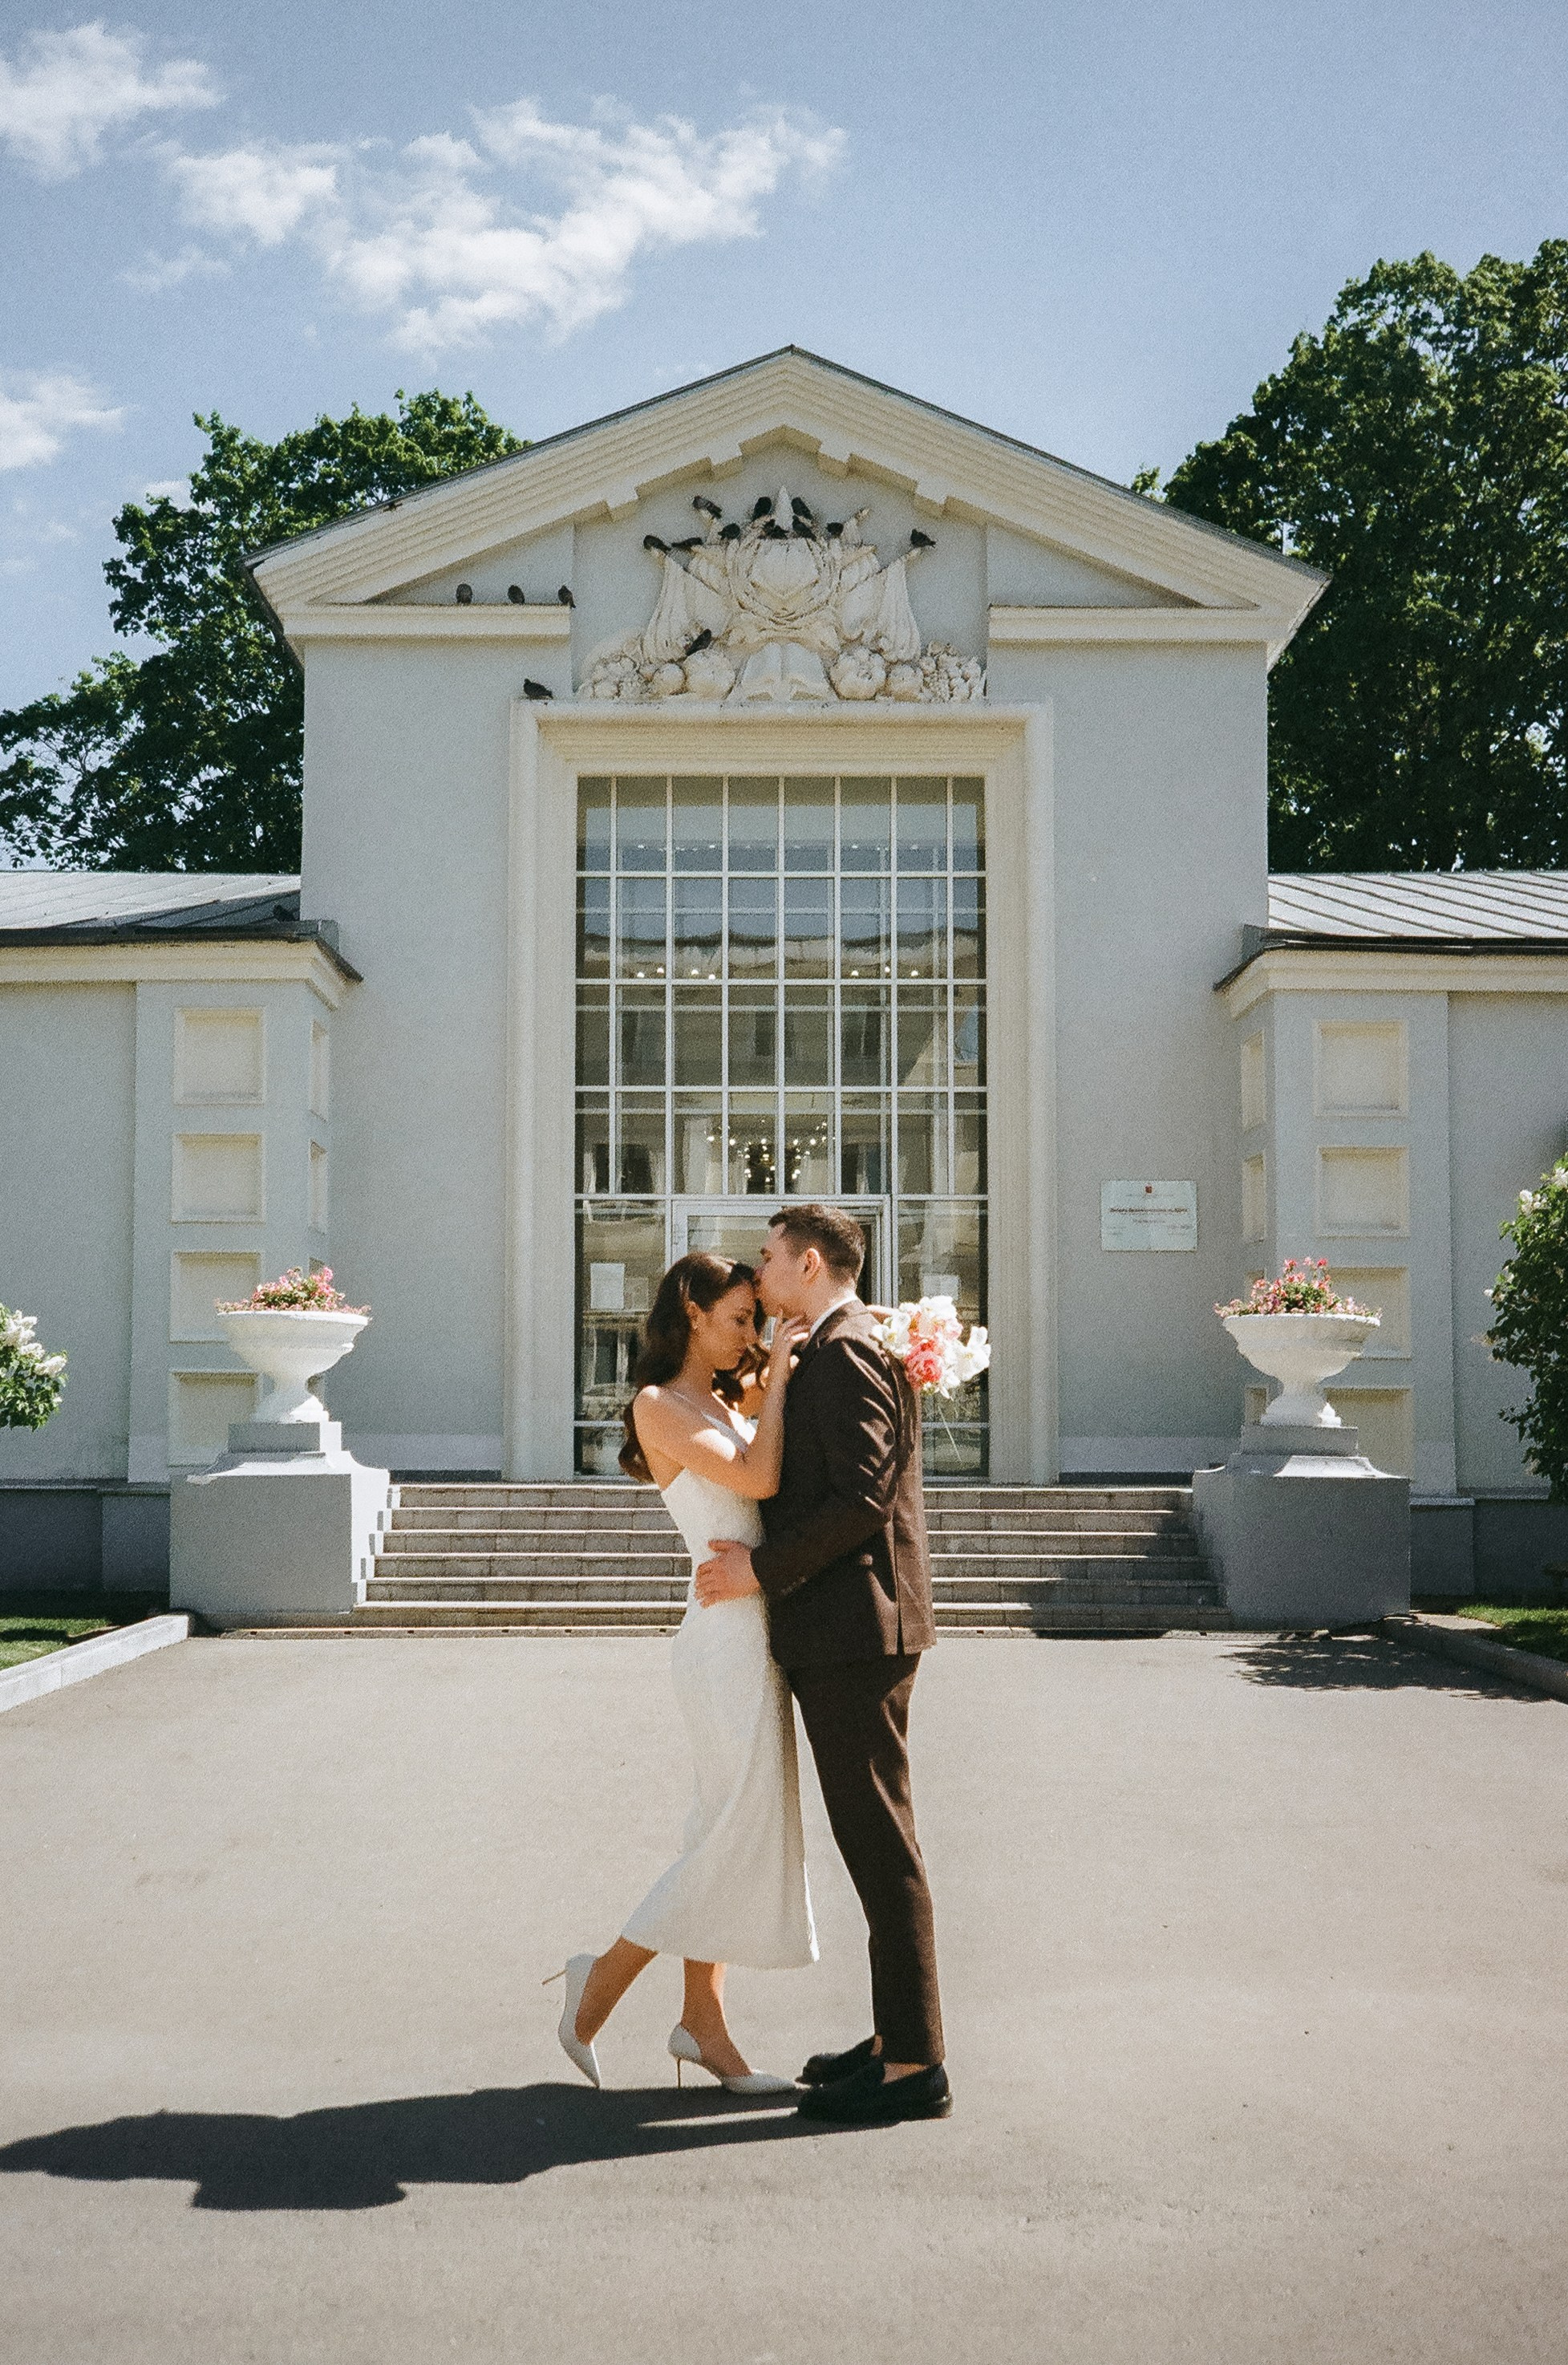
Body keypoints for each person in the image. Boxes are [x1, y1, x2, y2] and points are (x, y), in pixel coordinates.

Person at [696, 1203, 950, 2124]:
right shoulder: (832, 1341)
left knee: (881, 1847)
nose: (758, 1276)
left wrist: (756, 1568)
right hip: (852, 1631)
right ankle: (893, 2037)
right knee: (872, 1842)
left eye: (767, 1259)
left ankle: (915, 2062)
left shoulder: (845, 1351)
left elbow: (860, 1498)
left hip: (853, 1634)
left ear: (808, 1262)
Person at [549, 1253, 815, 2094]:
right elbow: (757, 1478)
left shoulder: (730, 1397)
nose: (751, 1333)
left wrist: (769, 1383)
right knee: (735, 1826)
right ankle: (599, 1979)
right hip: (720, 1641)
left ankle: (703, 2023)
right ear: (691, 1312)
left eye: (755, 1319)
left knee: (721, 1831)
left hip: (756, 1627)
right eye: (738, 1318)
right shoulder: (659, 1404)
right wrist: (776, 1378)